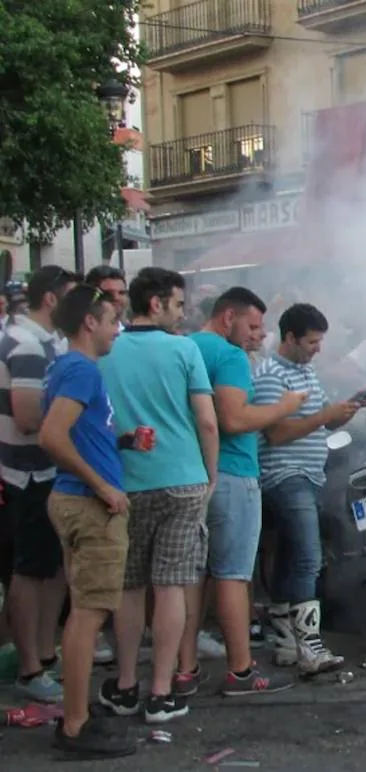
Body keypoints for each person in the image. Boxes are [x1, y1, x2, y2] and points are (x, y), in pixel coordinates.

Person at [97, 267, 217, 725]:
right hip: (183, 479)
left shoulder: (106, 350)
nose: (183, 313)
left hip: (125, 483)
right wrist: (210, 475)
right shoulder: (184, 350)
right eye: (178, 304)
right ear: (156, 304)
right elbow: (206, 421)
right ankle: (163, 692)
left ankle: (126, 684)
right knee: (171, 586)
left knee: (128, 587)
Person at [187, 287, 301, 696]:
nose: (258, 333)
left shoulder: (184, 347)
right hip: (232, 474)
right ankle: (241, 671)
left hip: (193, 476)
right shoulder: (228, 355)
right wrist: (286, 406)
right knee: (233, 575)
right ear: (227, 317)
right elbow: (233, 419)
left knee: (190, 579)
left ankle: (184, 670)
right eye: (252, 325)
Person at [40, 283, 138, 758]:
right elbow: (53, 436)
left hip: (74, 498)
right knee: (88, 614)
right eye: (112, 320)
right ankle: (75, 725)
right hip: (88, 503)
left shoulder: (67, 367)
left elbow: (76, 434)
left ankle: (75, 710)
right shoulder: (81, 370)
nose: (117, 329)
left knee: (85, 610)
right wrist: (102, 486)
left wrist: (119, 446)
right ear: (89, 323)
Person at [254, 303, 359, 675]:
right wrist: (323, 417)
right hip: (285, 475)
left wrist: (341, 415)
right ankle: (310, 646)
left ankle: (286, 643)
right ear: (290, 338)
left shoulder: (306, 372)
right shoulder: (270, 376)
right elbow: (277, 433)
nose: (317, 348)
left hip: (308, 474)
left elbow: (315, 424)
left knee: (290, 557)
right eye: (312, 341)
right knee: (307, 559)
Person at [0, 265, 77, 704]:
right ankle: (31, 666)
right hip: (28, 474)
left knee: (52, 568)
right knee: (30, 572)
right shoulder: (27, 345)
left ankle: (45, 657)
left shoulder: (42, 342)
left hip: (44, 472)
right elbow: (29, 417)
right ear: (51, 299)